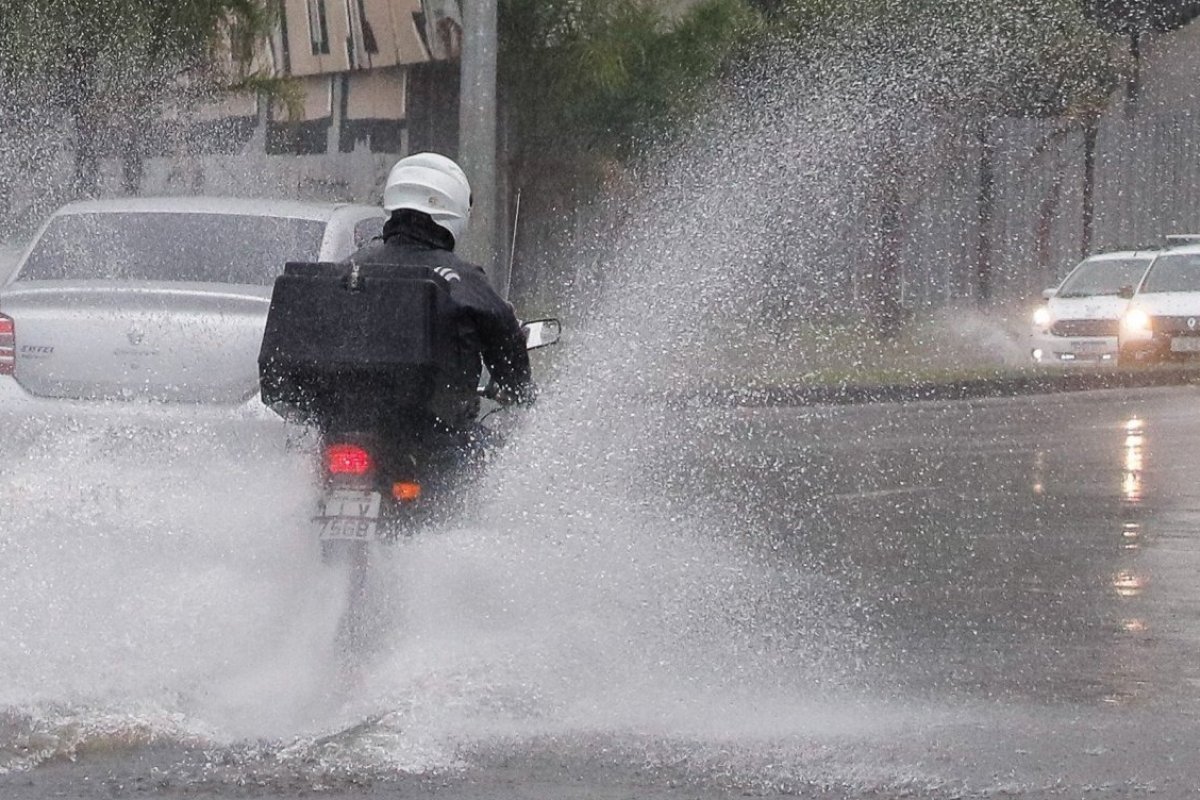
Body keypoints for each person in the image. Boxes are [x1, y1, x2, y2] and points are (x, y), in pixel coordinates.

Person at [344, 152, 534, 432]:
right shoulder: (462, 279)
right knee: (497, 456)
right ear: (454, 207)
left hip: (347, 426)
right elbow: (503, 336)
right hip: (437, 435)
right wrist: (520, 390)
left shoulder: (349, 268)